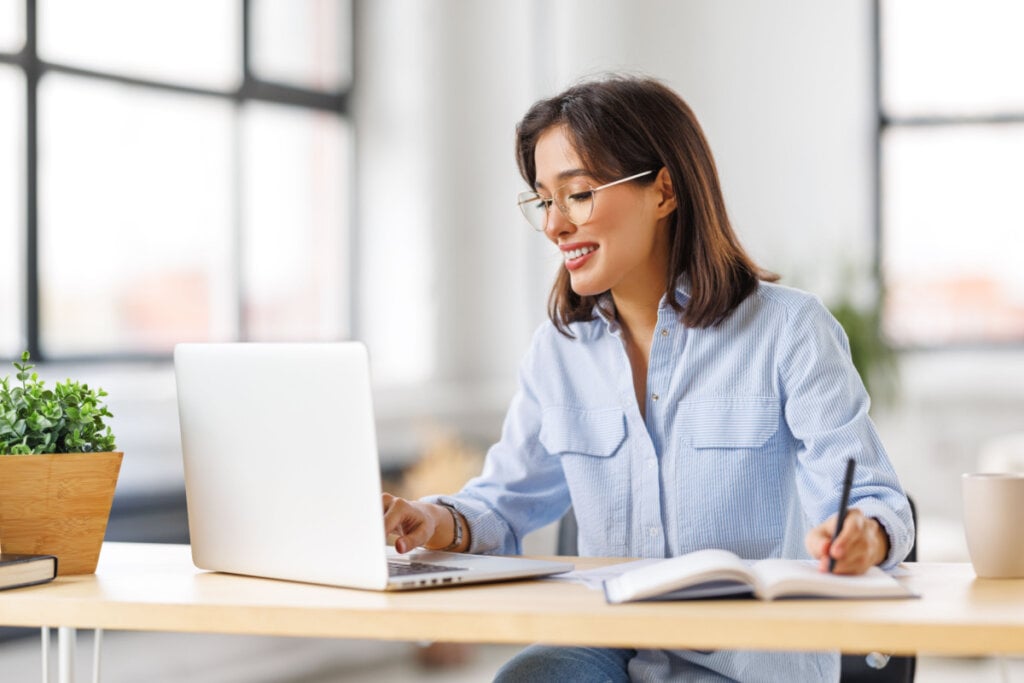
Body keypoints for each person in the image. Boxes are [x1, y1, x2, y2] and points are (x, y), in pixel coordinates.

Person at [381, 74, 914, 682]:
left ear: (663, 190)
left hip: (746, 667)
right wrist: (434, 520)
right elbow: (503, 504)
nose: (555, 225)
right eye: (543, 201)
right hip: (611, 652)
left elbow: (875, 499)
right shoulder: (560, 351)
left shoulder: (789, 331)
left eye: (577, 194)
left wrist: (862, 535)